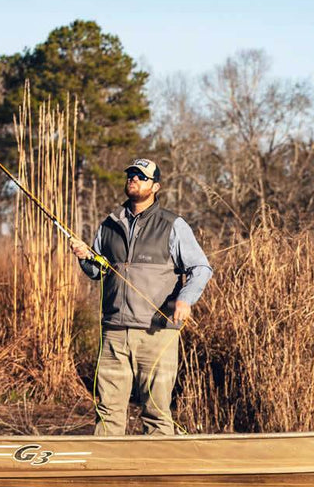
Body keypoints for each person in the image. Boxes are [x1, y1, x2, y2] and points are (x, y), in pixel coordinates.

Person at [69, 158, 212, 436]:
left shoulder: (173, 225)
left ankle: (158, 472)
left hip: (156, 333)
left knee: (157, 413)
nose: (134, 179)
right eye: (131, 175)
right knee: (108, 413)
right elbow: (97, 271)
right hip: (114, 333)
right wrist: (84, 257)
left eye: (142, 177)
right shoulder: (109, 224)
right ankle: (107, 471)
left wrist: (185, 300)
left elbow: (201, 268)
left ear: (155, 186)